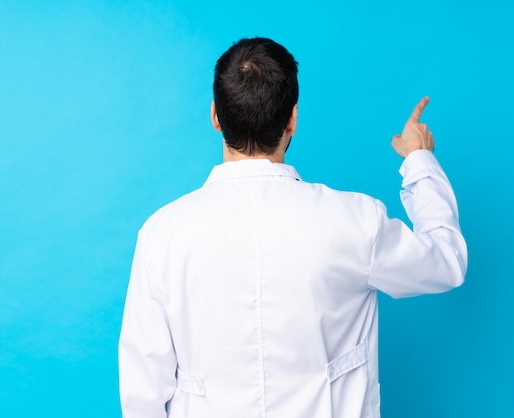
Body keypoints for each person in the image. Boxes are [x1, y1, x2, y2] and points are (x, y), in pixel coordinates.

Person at [119, 37, 467, 418]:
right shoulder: (355, 220)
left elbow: (143, 395)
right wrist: (418, 160)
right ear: (292, 120)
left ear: (215, 116)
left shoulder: (161, 234)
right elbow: (446, 261)